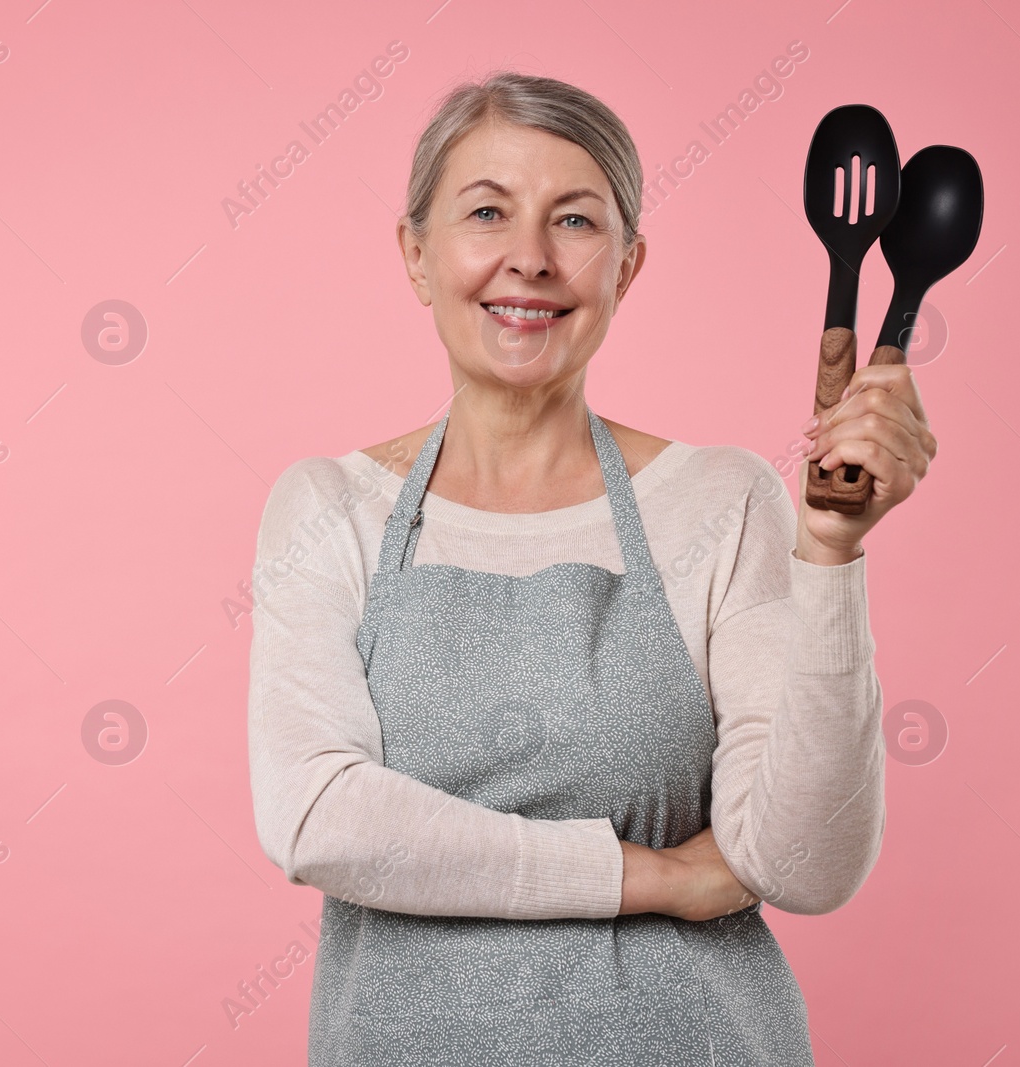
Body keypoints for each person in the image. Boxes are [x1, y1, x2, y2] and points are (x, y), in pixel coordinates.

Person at [245, 70, 936, 1066]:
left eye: (573, 221)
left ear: (627, 264)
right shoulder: (326, 510)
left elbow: (803, 864)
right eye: (487, 211)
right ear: (416, 254)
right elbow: (318, 817)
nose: (528, 260)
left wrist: (829, 550)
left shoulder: (723, 500)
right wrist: (648, 876)